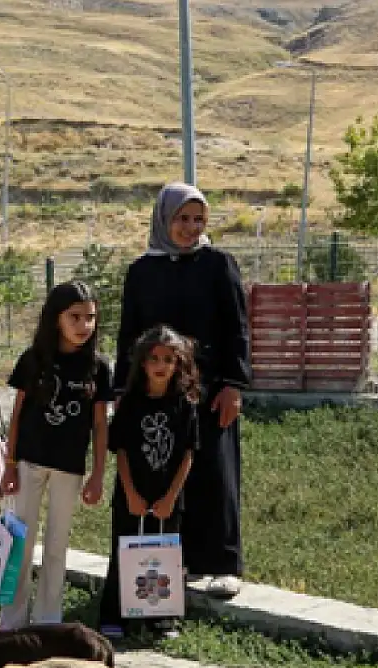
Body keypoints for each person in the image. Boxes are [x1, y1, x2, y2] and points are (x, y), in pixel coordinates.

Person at [114, 182, 250, 601]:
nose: (191, 228)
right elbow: (129, 334)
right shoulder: (142, 271)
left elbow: (237, 328)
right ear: (163, 219)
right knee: (166, 473)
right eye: (182, 219)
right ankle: (179, 561)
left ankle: (224, 563)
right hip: (156, 392)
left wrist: (233, 384)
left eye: (199, 220)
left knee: (215, 471)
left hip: (209, 390)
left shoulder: (218, 265)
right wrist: (123, 390)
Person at [0, 282, 111, 628]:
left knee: (56, 545)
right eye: (75, 317)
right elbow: (16, 415)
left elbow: (100, 426)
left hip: (70, 468)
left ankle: (48, 619)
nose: (83, 325)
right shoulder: (33, 360)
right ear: (56, 319)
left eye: (90, 317)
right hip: (30, 464)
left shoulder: (99, 367)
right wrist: (10, 463)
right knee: (22, 541)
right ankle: (13, 619)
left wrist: (97, 475)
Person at [97, 327, 201, 635]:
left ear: (178, 364)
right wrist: (130, 493)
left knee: (163, 554)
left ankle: (161, 616)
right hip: (132, 495)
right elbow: (123, 452)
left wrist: (171, 497)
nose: (161, 365)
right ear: (142, 362)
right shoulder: (130, 403)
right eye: (154, 358)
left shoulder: (185, 405)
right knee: (124, 551)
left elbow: (187, 455)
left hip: (167, 496)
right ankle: (116, 616)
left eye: (168, 359)